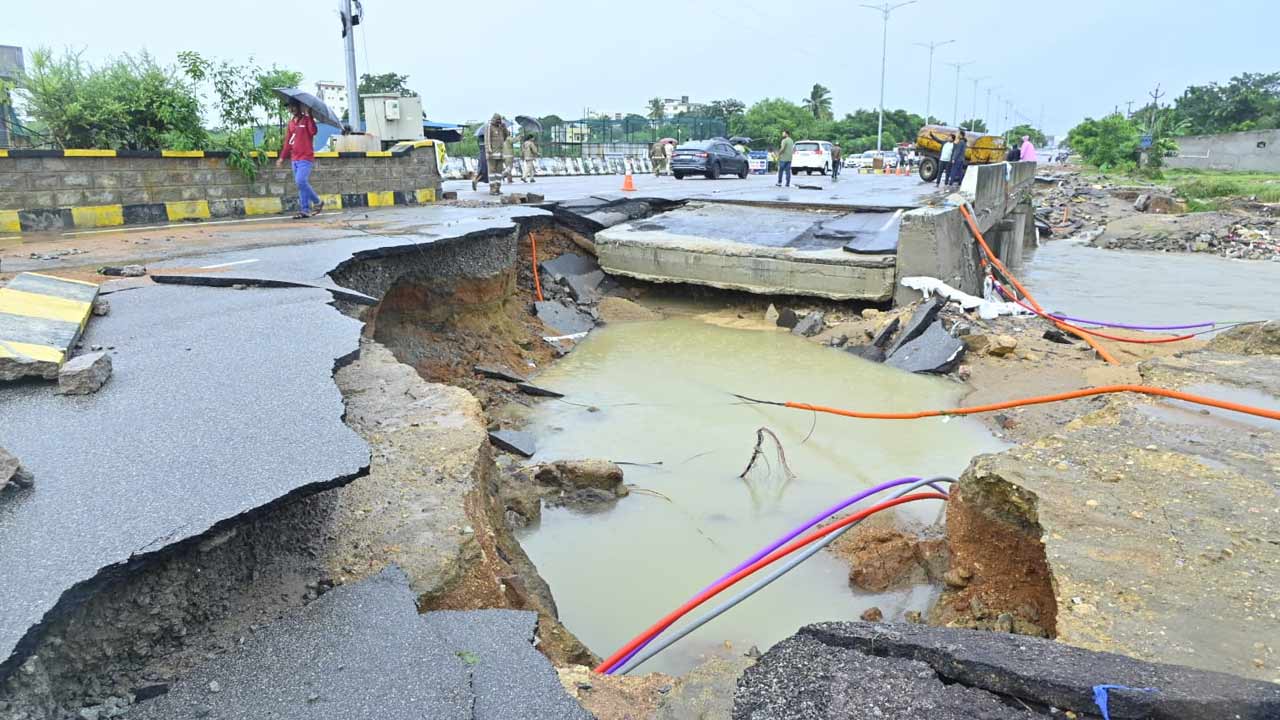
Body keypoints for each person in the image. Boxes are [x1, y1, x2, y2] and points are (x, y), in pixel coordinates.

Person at [277, 101, 322, 218]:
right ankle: (305, 210)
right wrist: (282, 157)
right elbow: (288, 142)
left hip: (305, 157)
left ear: (299, 107)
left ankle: (317, 202)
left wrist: (310, 115)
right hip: (294, 158)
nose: (291, 109)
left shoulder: (307, 120)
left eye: (293, 106)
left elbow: (313, 132)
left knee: (300, 181)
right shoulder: (291, 123)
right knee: (301, 185)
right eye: (289, 107)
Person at [483, 113, 511, 196]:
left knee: (499, 172)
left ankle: (498, 188)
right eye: (497, 120)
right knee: (492, 172)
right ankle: (492, 189)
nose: (499, 122)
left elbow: (506, 136)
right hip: (492, 154)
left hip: (501, 154)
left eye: (500, 120)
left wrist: (504, 127)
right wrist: (488, 150)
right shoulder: (489, 127)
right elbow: (487, 140)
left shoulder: (501, 127)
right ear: (494, 120)